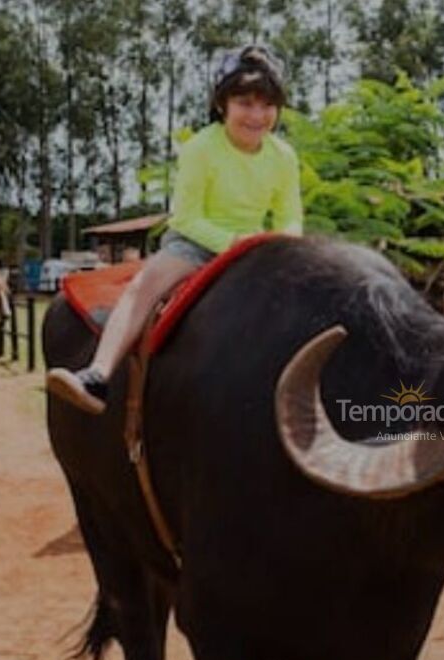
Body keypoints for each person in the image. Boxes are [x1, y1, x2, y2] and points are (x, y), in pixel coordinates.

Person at [46, 46, 302, 414]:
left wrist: (286, 242)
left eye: (267, 105)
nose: (257, 115)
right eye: (245, 103)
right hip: (195, 245)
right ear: (222, 104)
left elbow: (290, 215)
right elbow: (185, 218)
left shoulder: (283, 156)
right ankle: (98, 375)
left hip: (258, 249)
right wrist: (233, 243)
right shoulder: (201, 148)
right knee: (142, 288)